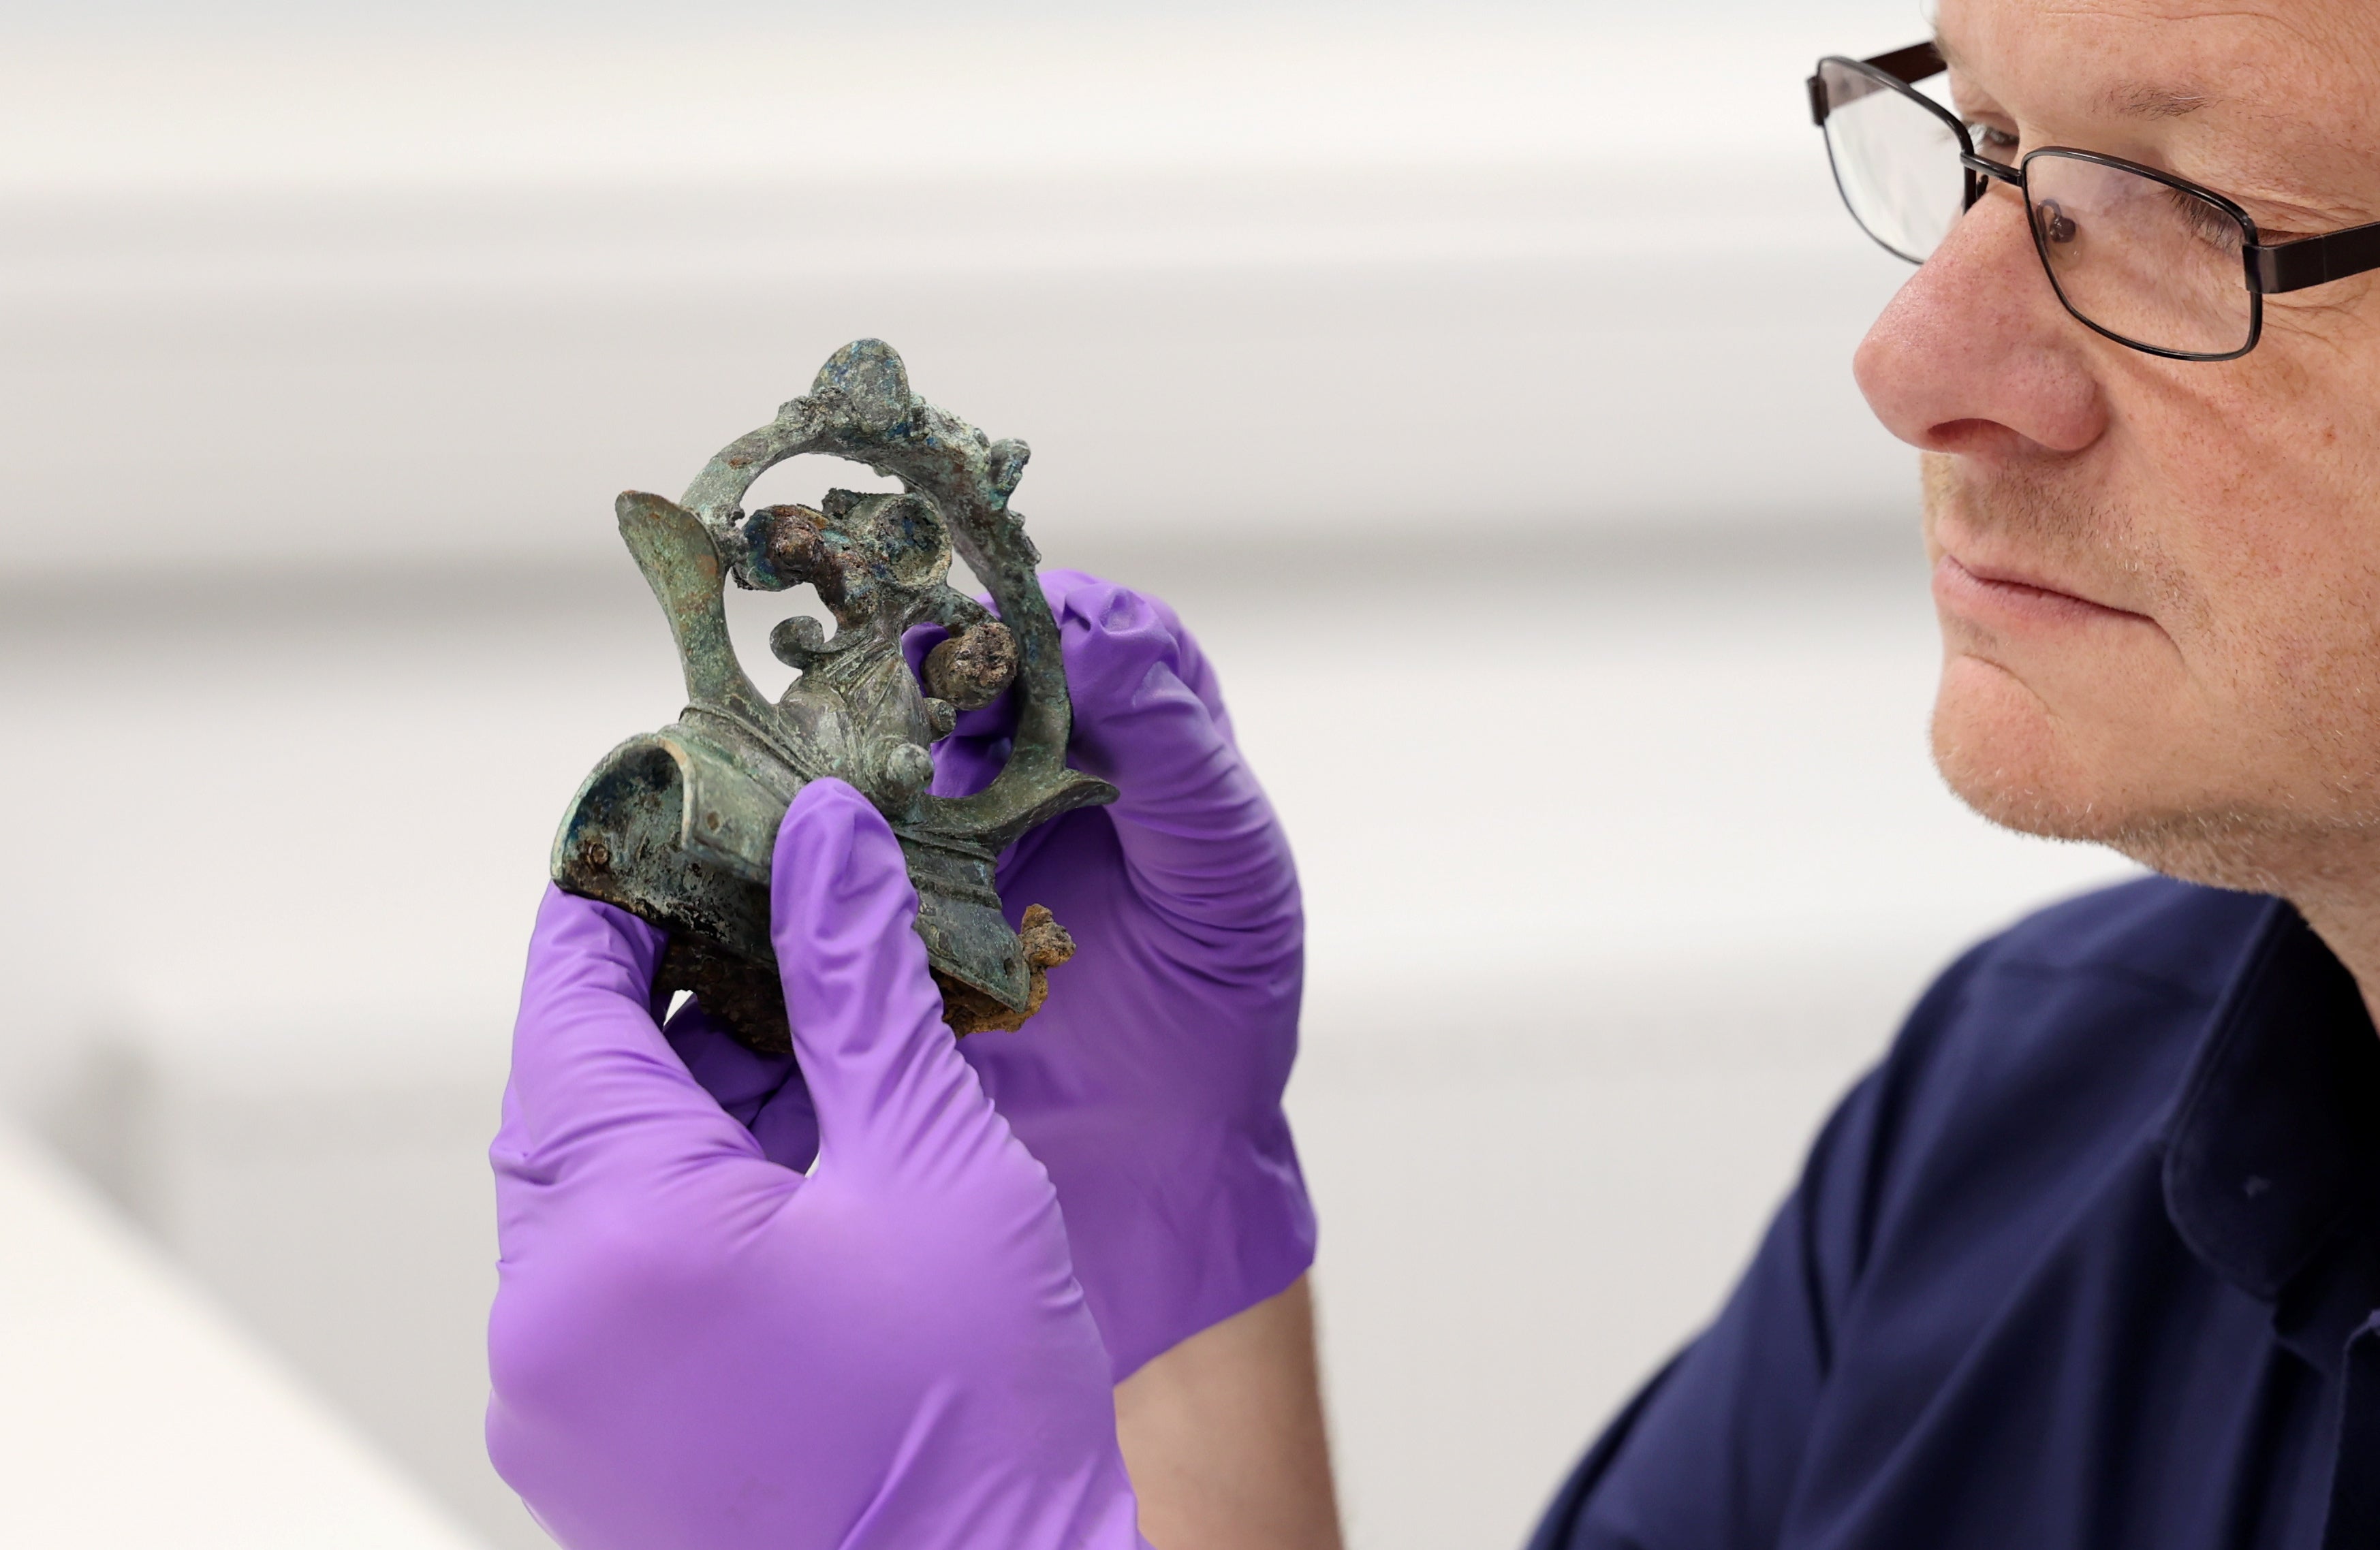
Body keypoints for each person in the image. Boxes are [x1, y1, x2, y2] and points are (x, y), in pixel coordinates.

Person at [485, 0, 2380, 1544]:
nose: (1910, 357)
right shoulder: (2026, 1122)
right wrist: (1154, 1277)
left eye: (2175, 200)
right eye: (1983, 139)